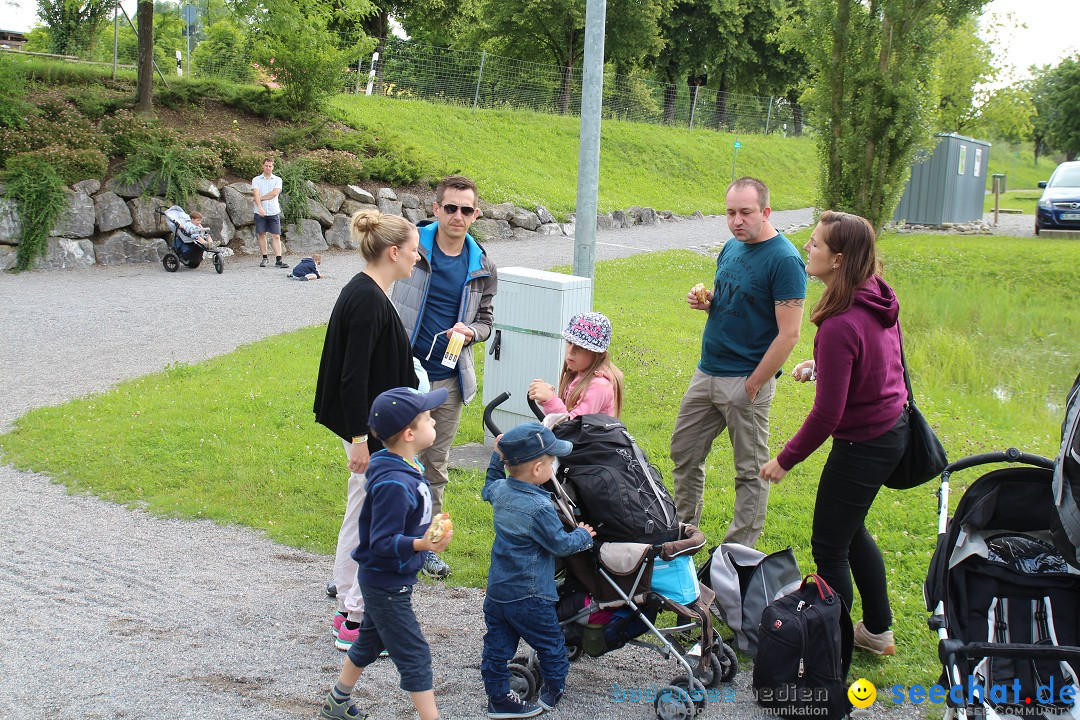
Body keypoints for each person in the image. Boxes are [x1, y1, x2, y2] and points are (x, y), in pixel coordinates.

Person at [759, 211, 908, 657]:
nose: (807, 248)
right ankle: (876, 630)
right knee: (850, 529)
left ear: (838, 259)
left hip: (865, 443)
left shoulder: (840, 324)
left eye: (816, 244)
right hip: (890, 428)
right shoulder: (876, 294)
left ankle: (833, 644)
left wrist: (784, 459)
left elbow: (827, 414)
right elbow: (874, 362)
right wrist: (822, 366)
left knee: (829, 544)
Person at [670, 176, 807, 547]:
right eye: (730, 212)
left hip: (746, 379)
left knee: (750, 472)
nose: (736, 221)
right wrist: (710, 300)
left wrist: (754, 383)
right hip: (707, 371)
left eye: (745, 213)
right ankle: (683, 536)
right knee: (684, 453)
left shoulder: (785, 260)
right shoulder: (731, 246)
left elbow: (789, 334)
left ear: (765, 211)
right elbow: (738, 301)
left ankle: (736, 556)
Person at [314, 210, 419, 651]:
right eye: (413, 250)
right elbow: (351, 378)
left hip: (371, 427)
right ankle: (356, 615)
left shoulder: (370, 292)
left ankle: (347, 602)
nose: (417, 257)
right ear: (393, 252)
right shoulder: (367, 300)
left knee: (361, 512)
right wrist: (360, 438)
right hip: (368, 432)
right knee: (370, 517)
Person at [318, 386, 454, 720]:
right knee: (415, 654)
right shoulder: (394, 482)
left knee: (368, 641)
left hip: (387, 580)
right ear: (410, 433)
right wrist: (421, 544)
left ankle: (337, 702)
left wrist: (425, 528)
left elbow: (399, 523)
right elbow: (381, 541)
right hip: (387, 584)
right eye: (427, 418)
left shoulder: (403, 466)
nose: (434, 420)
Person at [392, 174, 498, 580]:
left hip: (449, 382)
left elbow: (487, 321)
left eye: (466, 209)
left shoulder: (483, 264)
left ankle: (429, 547)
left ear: (475, 214)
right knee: (392, 464)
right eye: (450, 207)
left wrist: (472, 332)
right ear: (435, 209)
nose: (457, 215)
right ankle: (381, 544)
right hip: (404, 375)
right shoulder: (409, 247)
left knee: (435, 467)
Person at [481, 422, 596, 719]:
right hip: (531, 595)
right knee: (551, 645)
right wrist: (583, 535)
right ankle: (552, 691)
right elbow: (560, 544)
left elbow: (489, 483)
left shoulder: (501, 492)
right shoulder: (539, 508)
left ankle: (497, 699)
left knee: (497, 646)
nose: (554, 465)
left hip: (498, 592)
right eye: (551, 461)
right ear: (537, 470)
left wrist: (497, 455)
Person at [527, 311, 624, 419]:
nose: (571, 351)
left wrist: (551, 400)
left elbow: (573, 428)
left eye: (581, 347)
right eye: (569, 342)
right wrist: (548, 398)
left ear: (600, 355)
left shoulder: (599, 386)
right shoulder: (577, 372)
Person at [252, 157, 288, 269]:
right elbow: (255, 194)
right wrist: (260, 207)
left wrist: (261, 198)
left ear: (273, 167)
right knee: (262, 234)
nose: (268, 168)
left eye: (270, 166)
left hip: (273, 210)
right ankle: (265, 258)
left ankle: (279, 259)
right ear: (263, 166)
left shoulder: (277, 180)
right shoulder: (256, 180)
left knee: (276, 235)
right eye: (266, 165)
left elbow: (274, 193)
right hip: (260, 211)